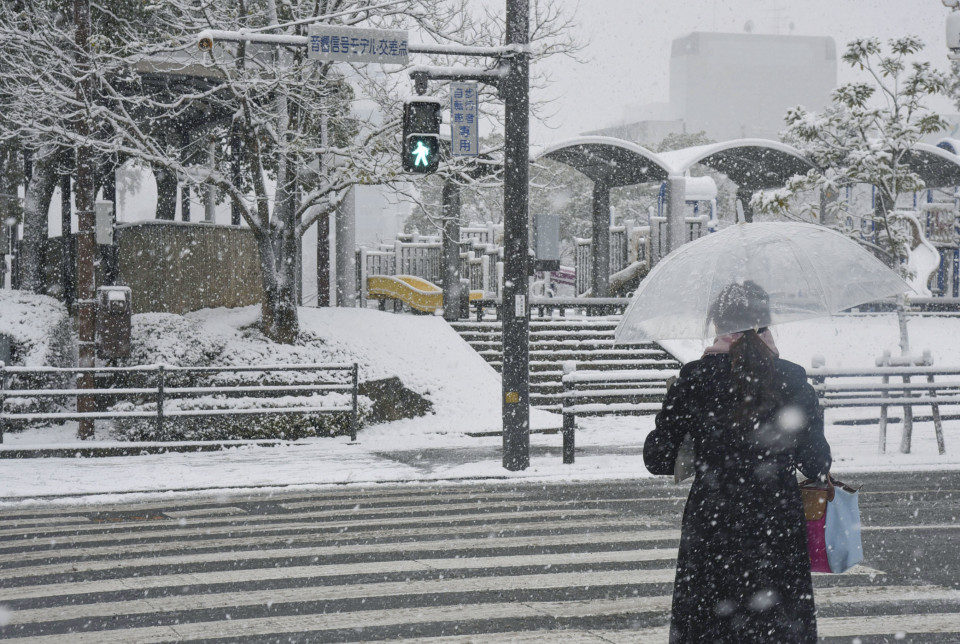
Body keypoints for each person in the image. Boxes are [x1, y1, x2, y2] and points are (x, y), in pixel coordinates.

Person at [643, 281, 832, 644]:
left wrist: (681, 418)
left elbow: (657, 458)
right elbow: (815, 461)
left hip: (713, 523)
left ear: (718, 325)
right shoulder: (791, 378)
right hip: (775, 523)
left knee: (710, 625)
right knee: (776, 627)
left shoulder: (695, 378)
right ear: (766, 325)